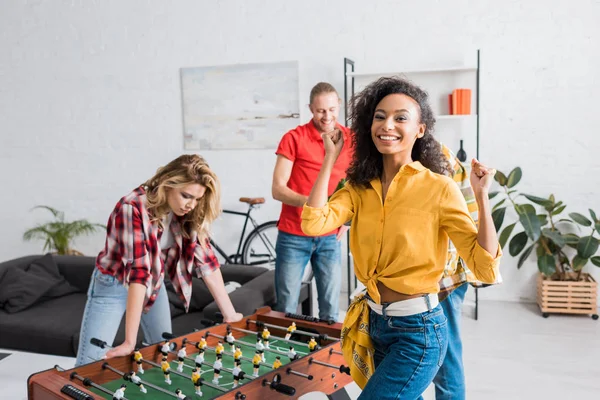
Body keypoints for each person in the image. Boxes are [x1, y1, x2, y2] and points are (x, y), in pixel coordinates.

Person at [301, 76, 502, 399]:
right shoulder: (358, 187)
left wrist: (482, 197)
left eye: (400, 118)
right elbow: (314, 222)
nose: (387, 125)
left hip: (419, 332)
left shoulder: (439, 188)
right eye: (379, 116)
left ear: (420, 129)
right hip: (375, 324)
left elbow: (484, 266)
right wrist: (330, 158)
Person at [75, 154, 243, 366]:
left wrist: (230, 314)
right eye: (186, 195)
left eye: (198, 199)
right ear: (168, 184)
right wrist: (129, 342)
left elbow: (206, 261)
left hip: (152, 282)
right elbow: (138, 273)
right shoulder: (132, 208)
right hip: (114, 284)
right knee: (88, 364)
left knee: (164, 351)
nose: (192, 204)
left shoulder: (186, 212)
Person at [272, 82, 354, 322]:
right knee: (286, 305)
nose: (326, 116)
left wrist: (347, 219)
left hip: (330, 235)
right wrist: (314, 204)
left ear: (339, 105)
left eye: (331, 109)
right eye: (320, 111)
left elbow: (356, 186)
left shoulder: (350, 140)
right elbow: (278, 189)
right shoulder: (293, 138)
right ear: (310, 109)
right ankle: (283, 355)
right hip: (293, 235)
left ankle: (324, 357)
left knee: (330, 307)